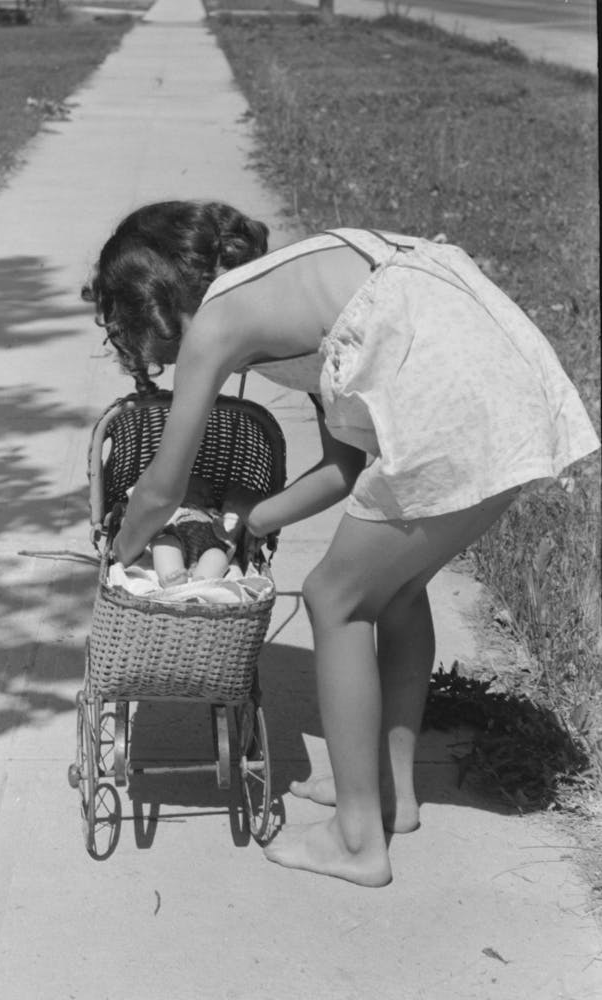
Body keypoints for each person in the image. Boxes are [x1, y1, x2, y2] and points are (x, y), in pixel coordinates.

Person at [83, 200, 599, 886]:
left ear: (153, 302)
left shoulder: (217, 318)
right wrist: (254, 521)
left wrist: (121, 551)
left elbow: (161, 489)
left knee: (334, 596)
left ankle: (357, 840)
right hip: (504, 383)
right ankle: (393, 793)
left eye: (138, 334)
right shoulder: (298, 290)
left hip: (451, 396)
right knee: (397, 591)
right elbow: (342, 470)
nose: (154, 356)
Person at [131, 473, 248, 587]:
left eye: (208, 495)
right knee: (164, 543)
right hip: (176, 538)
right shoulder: (172, 509)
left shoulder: (213, 513)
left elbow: (233, 520)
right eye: (198, 492)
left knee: (218, 556)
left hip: (210, 547)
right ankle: (171, 574)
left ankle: (203, 579)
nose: (205, 496)